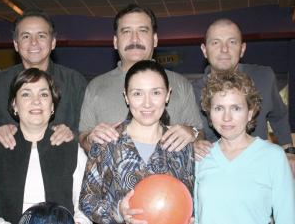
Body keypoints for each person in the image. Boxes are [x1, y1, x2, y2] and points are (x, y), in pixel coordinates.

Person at [0, 69, 90, 224]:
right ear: (14, 104)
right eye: (26, 94)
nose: (36, 100)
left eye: (44, 94)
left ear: (52, 106)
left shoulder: (72, 150)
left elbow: (86, 203)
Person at [80, 60, 194, 224]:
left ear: (168, 94)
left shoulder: (181, 144)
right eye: (137, 94)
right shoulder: (107, 141)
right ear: (126, 96)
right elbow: (87, 200)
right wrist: (118, 211)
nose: (147, 103)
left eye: (156, 93)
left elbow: (188, 198)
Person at [79, 4, 202, 154]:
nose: (134, 39)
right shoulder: (95, 86)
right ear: (115, 42)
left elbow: (199, 133)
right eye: (126, 32)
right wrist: (90, 139)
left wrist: (192, 133)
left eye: (143, 31)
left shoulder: (180, 83)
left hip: (167, 177)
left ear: (155, 39)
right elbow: (83, 138)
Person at [192, 18, 295, 174]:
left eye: (232, 42)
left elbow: (278, 116)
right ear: (204, 50)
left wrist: (289, 151)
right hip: (215, 173)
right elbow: (189, 128)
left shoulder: (264, 77)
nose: (224, 49)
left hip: (261, 169)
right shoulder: (192, 91)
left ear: (242, 48)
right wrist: (195, 140)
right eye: (215, 43)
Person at [194, 71, 295, 224]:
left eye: (236, 108)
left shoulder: (273, 157)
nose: (226, 118)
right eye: (219, 108)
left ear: (250, 113)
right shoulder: (202, 155)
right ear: (209, 114)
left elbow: (288, 217)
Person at [0, 9, 87, 148]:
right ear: (16, 45)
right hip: (11, 165)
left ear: (53, 42)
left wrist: (72, 134)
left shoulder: (75, 81)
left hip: (63, 164)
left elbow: (87, 131)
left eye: (41, 36)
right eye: (26, 36)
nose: (34, 42)